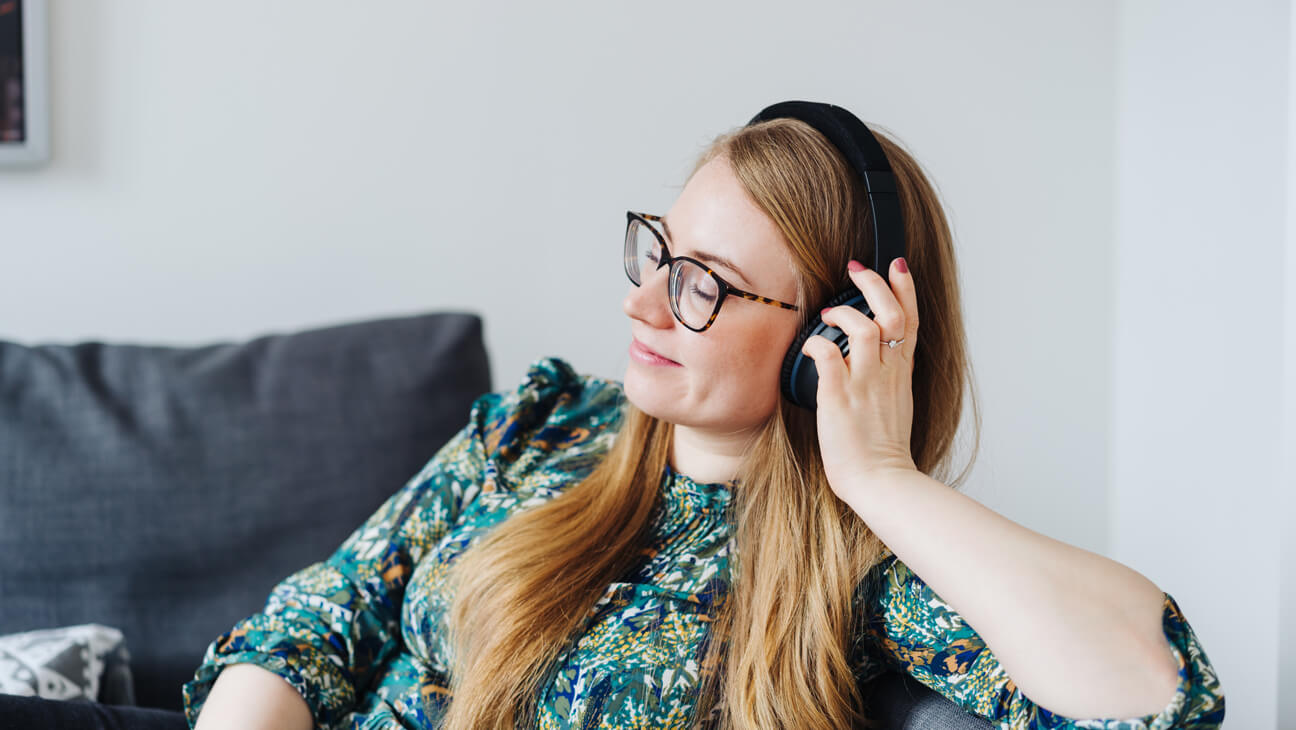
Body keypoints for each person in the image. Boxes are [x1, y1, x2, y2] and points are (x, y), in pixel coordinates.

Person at [181, 102, 1226, 729]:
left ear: (836, 333)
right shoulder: (542, 427)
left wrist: (881, 477)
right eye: (660, 251)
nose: (644, 303)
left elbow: (1152, 694)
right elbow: (322, 612)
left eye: (706, 284)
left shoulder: (859, 566)